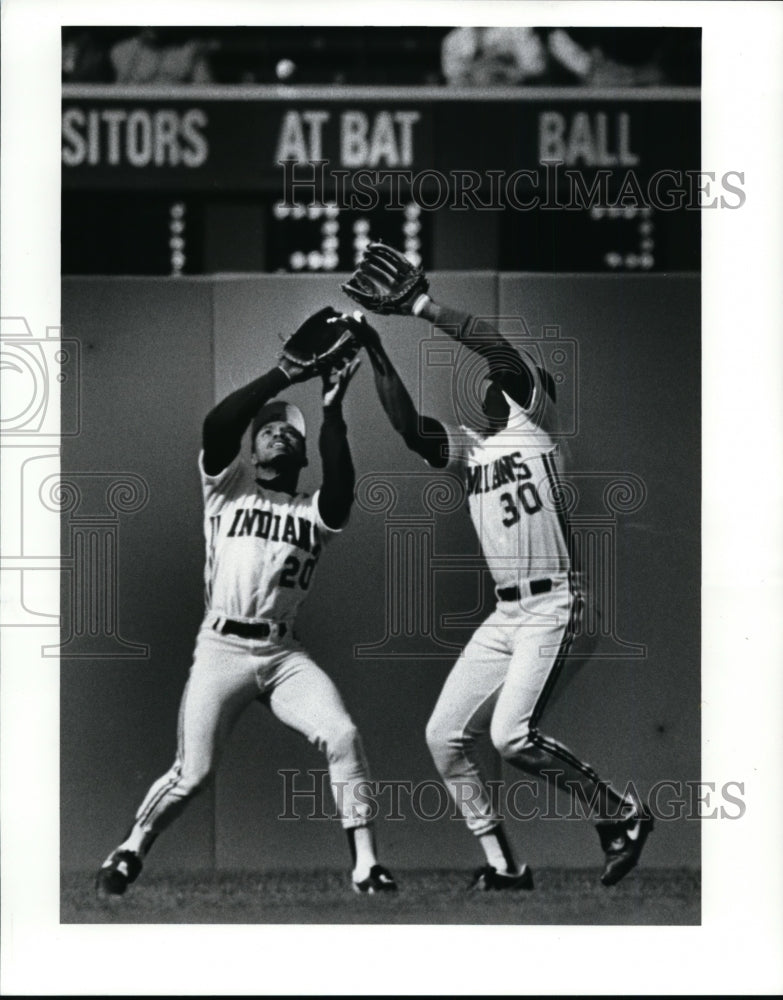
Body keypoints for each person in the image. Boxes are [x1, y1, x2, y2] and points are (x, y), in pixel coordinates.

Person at [345, 270, 653, 891]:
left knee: (513, 736)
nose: (494, 383)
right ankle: (505, 866)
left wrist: (422, 307)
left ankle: (622, 813)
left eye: (509, 380)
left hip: (554, 605)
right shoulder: (473, 452)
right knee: (443, 736)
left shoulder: (532, 425)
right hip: (506, 616)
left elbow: (495, 348)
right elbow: (410, 429)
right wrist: (377, 349)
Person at [96, 309, 397, 897]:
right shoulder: (226, 487)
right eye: (267, 429)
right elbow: (217, 424)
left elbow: (342, 485)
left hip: (284, 655)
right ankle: (130, 849)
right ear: (252, 452)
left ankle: (366, 865)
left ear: (304, 455)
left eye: (290, 431)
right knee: (194, 773)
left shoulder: (313, 510)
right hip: (222, 649)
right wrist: (283, 376)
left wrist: (332, 408)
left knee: (341, 733)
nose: (277, 432)